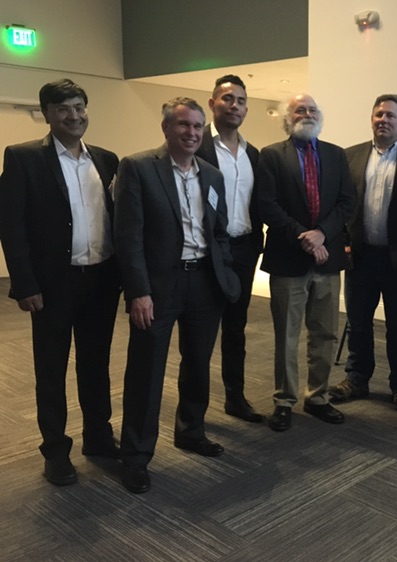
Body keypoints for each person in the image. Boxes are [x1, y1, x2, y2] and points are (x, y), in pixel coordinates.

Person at [115, 97, 240, 493]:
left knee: (198, 363)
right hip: (158, 288)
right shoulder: (138, 167)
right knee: (147, 370)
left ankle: (190, 430)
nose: (192, 133)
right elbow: (128, 237)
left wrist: (224, 270)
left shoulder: (211, 175)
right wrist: (139, 292)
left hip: (205, 283)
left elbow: (219, 230)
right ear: (166, 128)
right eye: (184, 125)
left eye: (198, 126)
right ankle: (136, 456)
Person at [0, 79, 120, 486]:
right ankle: (55, 450)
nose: (74, 116)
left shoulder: (106, 159)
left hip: (100, 280)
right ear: (47, 114)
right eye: (64, 109)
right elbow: (11, 226)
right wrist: (24, 283)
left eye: (79, 107)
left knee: (96, 365)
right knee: (51, 370)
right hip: (53, 285)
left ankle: (98, 437)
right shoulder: (23, 158)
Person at [257, 93, 355, 432]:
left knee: (325, 334)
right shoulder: (272, 155)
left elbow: (347, 202)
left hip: (327, 260)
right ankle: (284, 400)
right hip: (288, 259)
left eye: (313, 109)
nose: (308, 114)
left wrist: (322, 234)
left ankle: (318, 397)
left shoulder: (336, 154)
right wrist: (304, 236)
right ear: (288, 118)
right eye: (300, 110)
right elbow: (267, 205)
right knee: (287, 334)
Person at [328, 94, 397, 412]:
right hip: (360, 257)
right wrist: (343, 244)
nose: (383, 120)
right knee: (358, 321)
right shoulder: (350, 156)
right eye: (378, 114)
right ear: (371, 119)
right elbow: (341, 205)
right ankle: (357, 377)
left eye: (390, 115)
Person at [195, 74, 264, 424]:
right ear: (212, 103)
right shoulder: (197, 147)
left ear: (246, 108)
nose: (234, 105)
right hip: (207, 253)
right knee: (202, 333)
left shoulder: (253, 154)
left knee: (236, 329)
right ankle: (194, 412)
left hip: (244, 251)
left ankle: (235, 398)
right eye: (227, 99)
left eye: (240, 101)